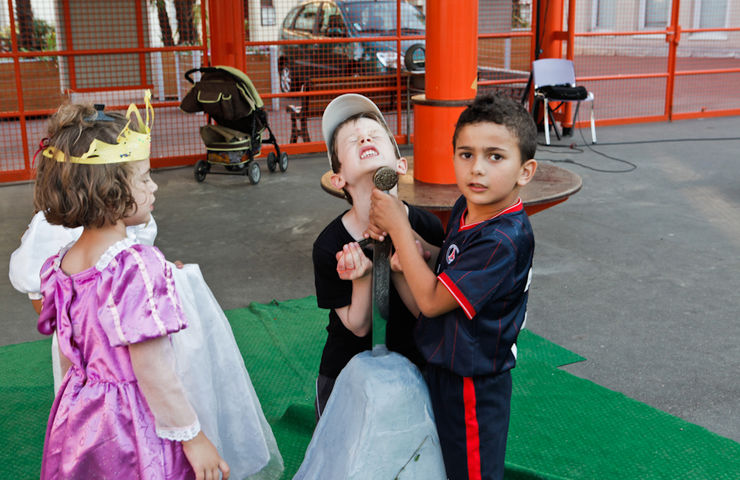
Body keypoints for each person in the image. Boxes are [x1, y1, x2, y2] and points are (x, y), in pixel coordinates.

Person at [32, 92, 272, 479]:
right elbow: (153, 369)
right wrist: (193, 438)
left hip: (79, 413)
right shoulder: (135, 266)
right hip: (132, 421)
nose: (154, 187)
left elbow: (66, 355)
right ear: (111, 190)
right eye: (144, 177)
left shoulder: (59, 265)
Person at [368, 93, 538, 480]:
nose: (477, 169)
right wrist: (408, 249)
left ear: (525, 171)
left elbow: (430, 301)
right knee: (437, 462)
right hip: (442, 363)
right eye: (466, 154)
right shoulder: (468, 206)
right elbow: (445, 261)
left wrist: (398, 225)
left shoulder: (504, 238)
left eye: (495, 156)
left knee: (472, 472)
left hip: (474, 384)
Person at [312, 93, 444, 419]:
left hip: (417, 362)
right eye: (353, 140)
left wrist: (404, 270)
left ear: (401, 165)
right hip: (349, 370)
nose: (365, 138)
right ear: (337, 178)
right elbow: (356, 326)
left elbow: (431, 311)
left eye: (374, 135)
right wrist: (363, 278)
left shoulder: (426, 225)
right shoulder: (330, 245)